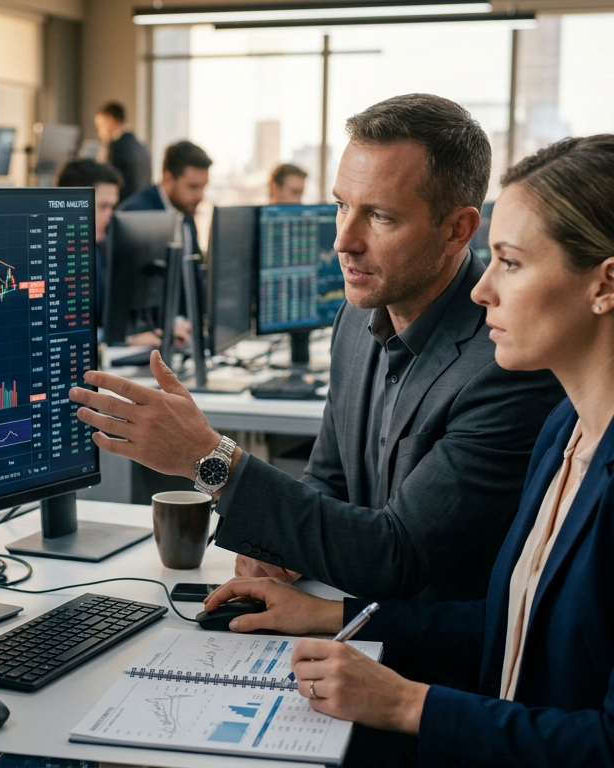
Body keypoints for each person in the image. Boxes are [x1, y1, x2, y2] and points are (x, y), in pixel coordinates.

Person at [202, 134, 614, 767]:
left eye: (509, 262)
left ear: (605, 284)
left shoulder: (533, 404)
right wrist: (326, 614)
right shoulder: (568, 432)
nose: (483, 291)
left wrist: (406, 705)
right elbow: (512, 627)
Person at [70, 94, 563, 603]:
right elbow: (327, 481)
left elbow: (399, 554)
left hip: (422, 656)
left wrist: (208, 457)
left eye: (380, 217)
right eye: (342, 206)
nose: (343, 241)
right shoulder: (355, 319)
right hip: (345, 622)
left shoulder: (506, 362)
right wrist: (280, 547)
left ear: (458, 230)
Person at [56, 158, 122, 329]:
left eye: (112, 207)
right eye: (102, 206)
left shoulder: (94, 250)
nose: (110, 217)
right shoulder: (52, 258)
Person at [119, 140, 211, 258]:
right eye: (193, 187)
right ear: (168, 179)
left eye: (204, 187)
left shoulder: (186, 208)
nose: (200, 196)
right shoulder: (136, 213)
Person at [94, 102, 151, 203]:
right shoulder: (142, 146)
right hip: (140, 209)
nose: (99, 133)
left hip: (120, 209)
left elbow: (104, 183)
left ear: (109, 120)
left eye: (100, 126)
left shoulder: (115, 147)